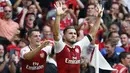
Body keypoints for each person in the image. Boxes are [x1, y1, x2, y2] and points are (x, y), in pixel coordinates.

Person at [53, 1, 102, 73]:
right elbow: (56, 33)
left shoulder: (78, 46)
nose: (73, 35)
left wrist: (99, 17)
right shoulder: (60, 46)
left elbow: (92, 34)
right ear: (64, 36)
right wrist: (57, 16)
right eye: (70, 33)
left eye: (75, 33)